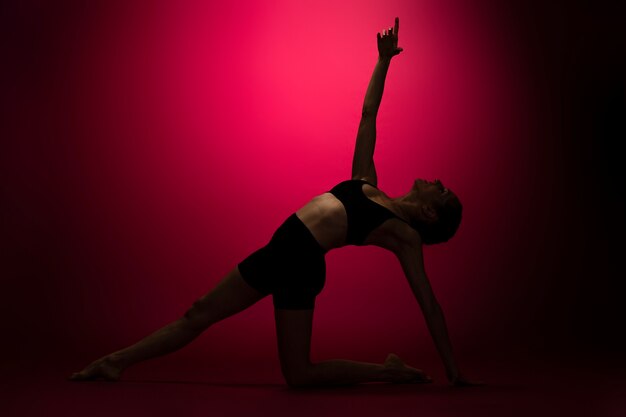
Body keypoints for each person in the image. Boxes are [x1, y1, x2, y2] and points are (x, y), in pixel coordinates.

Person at [70, 17, 483, 388]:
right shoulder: (366, 181)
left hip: (301, 262)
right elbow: (368, 114)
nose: (439, 182)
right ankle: (114, 362)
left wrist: (454, 371)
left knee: (296, 374)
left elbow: (429, 303)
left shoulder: (405, 235)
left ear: (429, 213)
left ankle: (391, 371)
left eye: (443, 191)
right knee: (199, 313)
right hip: (280, 249)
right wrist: (385, 61)